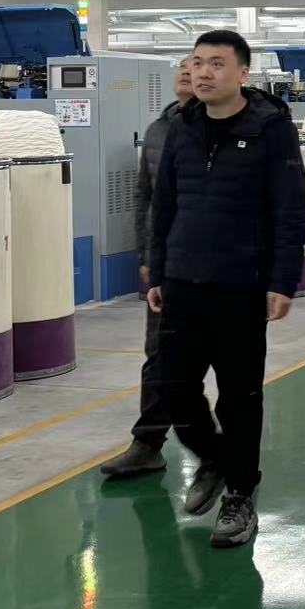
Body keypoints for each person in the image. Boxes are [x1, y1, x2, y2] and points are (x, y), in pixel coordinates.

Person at [147, 30, 305, 548]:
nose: (203, 72)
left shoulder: (270, 130)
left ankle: (240, 493)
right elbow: (164, 204)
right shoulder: (182, 127)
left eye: (217, 63)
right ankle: (216, 459)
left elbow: (291, 208)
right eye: (197, 62)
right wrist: (158, 269)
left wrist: (282, 280)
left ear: (242, 73)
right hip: (183, 281)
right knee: (174, 389)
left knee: (240, 397)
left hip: (242, 284)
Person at [102, 58, 194, 479]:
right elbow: (144, 197)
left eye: (201, 66)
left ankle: (229, 455)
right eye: (184, 67)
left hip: (214, 267)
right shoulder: (158, 129)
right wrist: (145, 255)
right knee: (158, 355)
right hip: (166, 266)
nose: (189, 73)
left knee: (224, 362)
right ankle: (147, 444)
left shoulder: (227, 130)